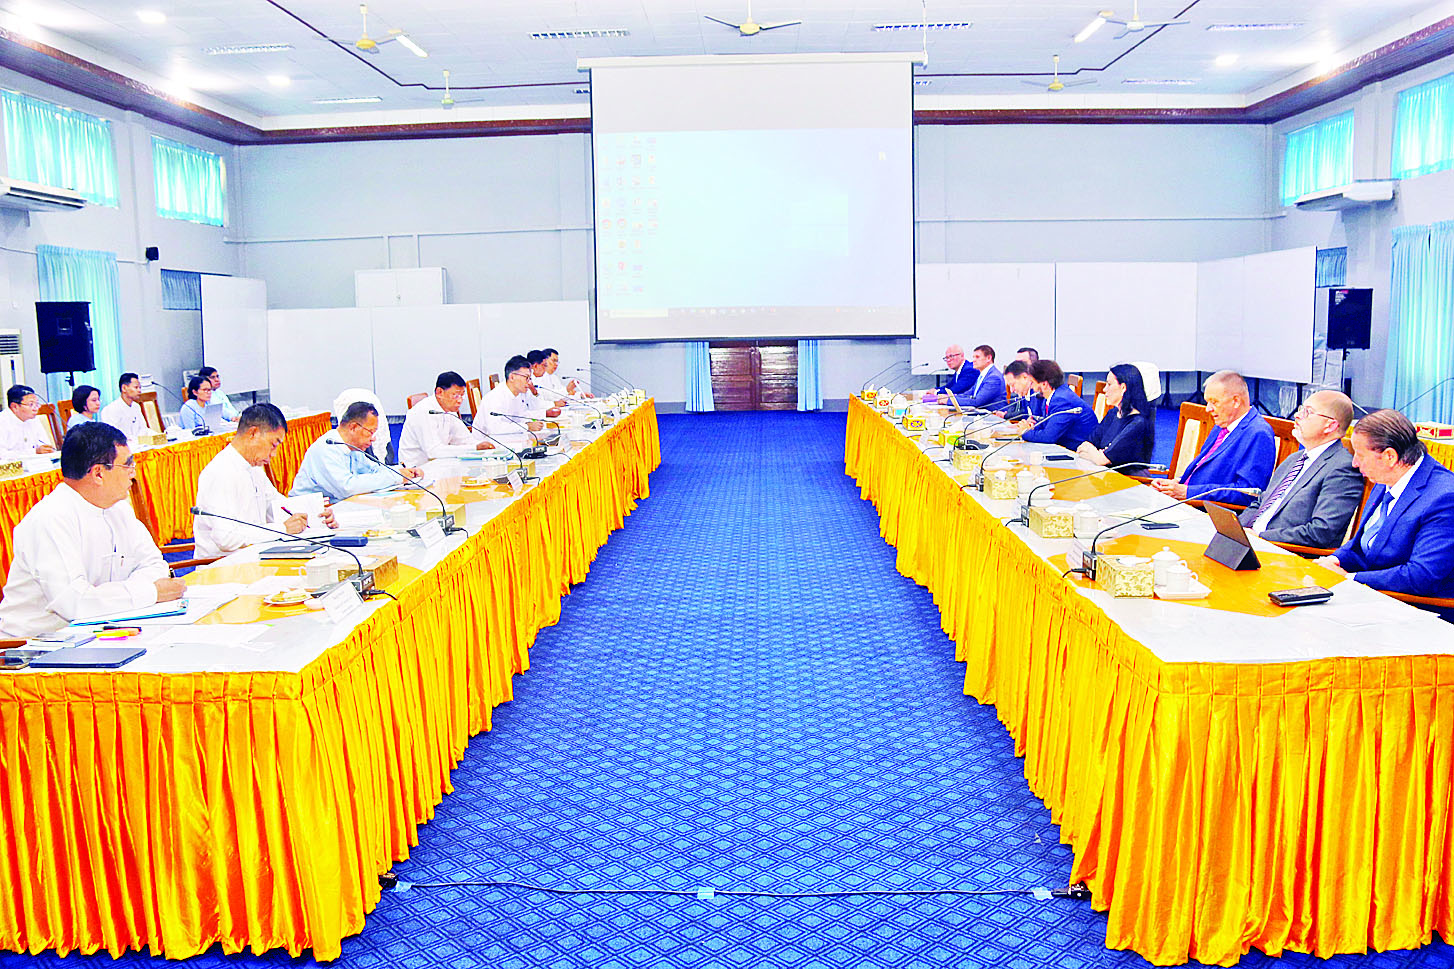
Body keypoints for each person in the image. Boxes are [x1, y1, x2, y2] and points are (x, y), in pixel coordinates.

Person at [0, 423, 183, 637]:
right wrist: (149, 592)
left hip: (104, 629)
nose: (133, 474)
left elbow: (154, 564)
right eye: (127, 466)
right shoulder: (50, 518)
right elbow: (74, 603)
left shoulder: (119, 509)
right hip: (36, 646)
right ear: (98, 474)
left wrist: (119, 596)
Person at [1319, 409, 1454, 606]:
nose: (1354, 463)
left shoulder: (1445, 498)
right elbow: (1364, 543)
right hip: (1373, 594)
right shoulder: (1386, 476)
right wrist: (1335, 560)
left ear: (1390, 456)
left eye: (1360, 455)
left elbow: (1421, 576)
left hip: (1415, 607)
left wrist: (1349, 579)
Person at [194, 403, 333, 559]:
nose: (274, 454)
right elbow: (226, 539)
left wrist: (317, 515)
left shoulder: (253, 467)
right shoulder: (220, 472)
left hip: (257, 555)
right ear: (253, 433)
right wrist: (282, 529)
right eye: (273, 445)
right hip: (225, 564)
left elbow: (278, 506)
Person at [1239, 391, 1363, 548]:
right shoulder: (1294, 459)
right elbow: (1261, 503)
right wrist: (1236, 529)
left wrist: (1260, 537)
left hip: (1283, 550)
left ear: (1330, 426)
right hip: (1250, 542)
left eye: (1307, 412)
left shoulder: (1342, 468)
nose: (1297, 415)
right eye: (1300, 409)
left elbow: (1321, 532)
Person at [1151, 370, 1275, 506]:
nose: (1208, 409)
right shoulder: (1223, 423)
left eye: (1214, 402)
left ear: (1236, 401)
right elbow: (1205, 468)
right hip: (1187, 500)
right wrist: (1175, 483)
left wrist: (1187, 492)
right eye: (1207, 402)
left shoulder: (1259, 433)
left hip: (1207, 509)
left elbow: (1248, 493)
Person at [292, 401, 421, 501]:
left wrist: (403, 471)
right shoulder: (327, 448)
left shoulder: (353, 447)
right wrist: (396, 477)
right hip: (307, 515)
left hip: (335, 508)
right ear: (353, 427)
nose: (373, 438)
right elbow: (347, 487)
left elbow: (374, 470)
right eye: (370, 432)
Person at [398, 371, 494, 467]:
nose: (460, 400)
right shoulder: (424, 411)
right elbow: (433, 451)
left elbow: (465, 440)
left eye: (462, 395)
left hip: (439, 463)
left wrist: (486, 447)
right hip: (416, 469)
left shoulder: (450, 411)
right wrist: (475, 448)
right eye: (455, 395)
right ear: (439, 392)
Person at [1077, 364, 1155, 467]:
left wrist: (1096, 454)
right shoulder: (1113, 413)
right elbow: (1084, 446)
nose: (1104, 389)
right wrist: (1096, 453)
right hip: (1104, 472)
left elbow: (1102, 460)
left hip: (1127, 476)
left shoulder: (1137, 423)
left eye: (1109, 384)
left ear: (1123, 388)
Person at [1018, 359, 1097, 449]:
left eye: (1032, 382)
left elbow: (1048, 437)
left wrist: (1025, 432)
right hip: (1063, 445)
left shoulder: (1062, 400)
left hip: (1077, 451)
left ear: (1044, 384)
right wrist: (1032, 427)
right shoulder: (1051, 397)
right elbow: (1047, 427)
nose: (1031, 387)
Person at [478, 355, 546, 440]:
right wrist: (526, 426)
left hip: (510, 439)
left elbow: (521, 416)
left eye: (530, 378)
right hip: (489, 443)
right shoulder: (495, 397)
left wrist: (543, 415)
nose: (529, 383)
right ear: (512, 377)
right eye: (526, 378)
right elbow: (496, 428)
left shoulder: (518, 394)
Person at [0, 384, 56, 459]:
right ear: (15, 407)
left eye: (37, 404)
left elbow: (45, 445)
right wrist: (34, 452)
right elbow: (2, 455)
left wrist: (46, 449)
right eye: (31, 404)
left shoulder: (34, 419)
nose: (36, 408)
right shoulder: (2, 421)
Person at [99, 372, 148, 445]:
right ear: (124, 388)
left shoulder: (136, 406)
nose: (139, 391)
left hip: (140, 445)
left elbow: (143, 428)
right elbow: (113, 436)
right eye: (136, 387)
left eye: (140, 388)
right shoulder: (111, 409)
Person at [525, 349, 567, 415]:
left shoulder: (539, 378)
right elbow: (533, 405)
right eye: (544, 365)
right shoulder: (526, 380)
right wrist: (554, 404)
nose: (545, 369)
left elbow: (545, 395)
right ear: (535, 366)